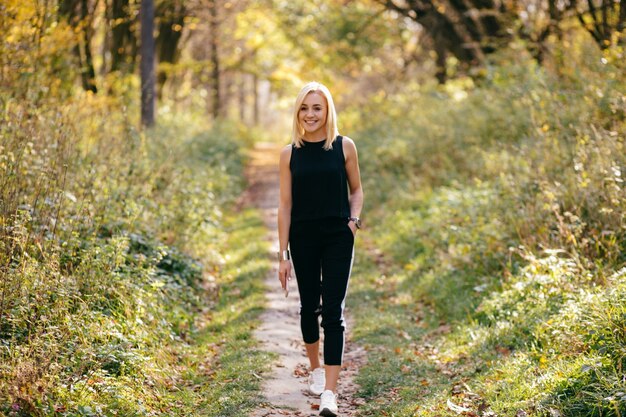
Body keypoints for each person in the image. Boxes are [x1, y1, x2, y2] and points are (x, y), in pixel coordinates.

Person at [277, 81, 364, 417]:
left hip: (338, 236)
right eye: (304, 108)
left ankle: (330, 393)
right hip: (302, 237)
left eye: (316, 108)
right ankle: (314, 367)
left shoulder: (344, 147)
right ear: (297, 112)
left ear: (327, 111)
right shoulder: (289, 154)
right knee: (308, 307)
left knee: (333, 313)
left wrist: (353, 221)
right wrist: (283, 255)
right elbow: (284, 206)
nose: (310, 114)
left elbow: (356, 190)